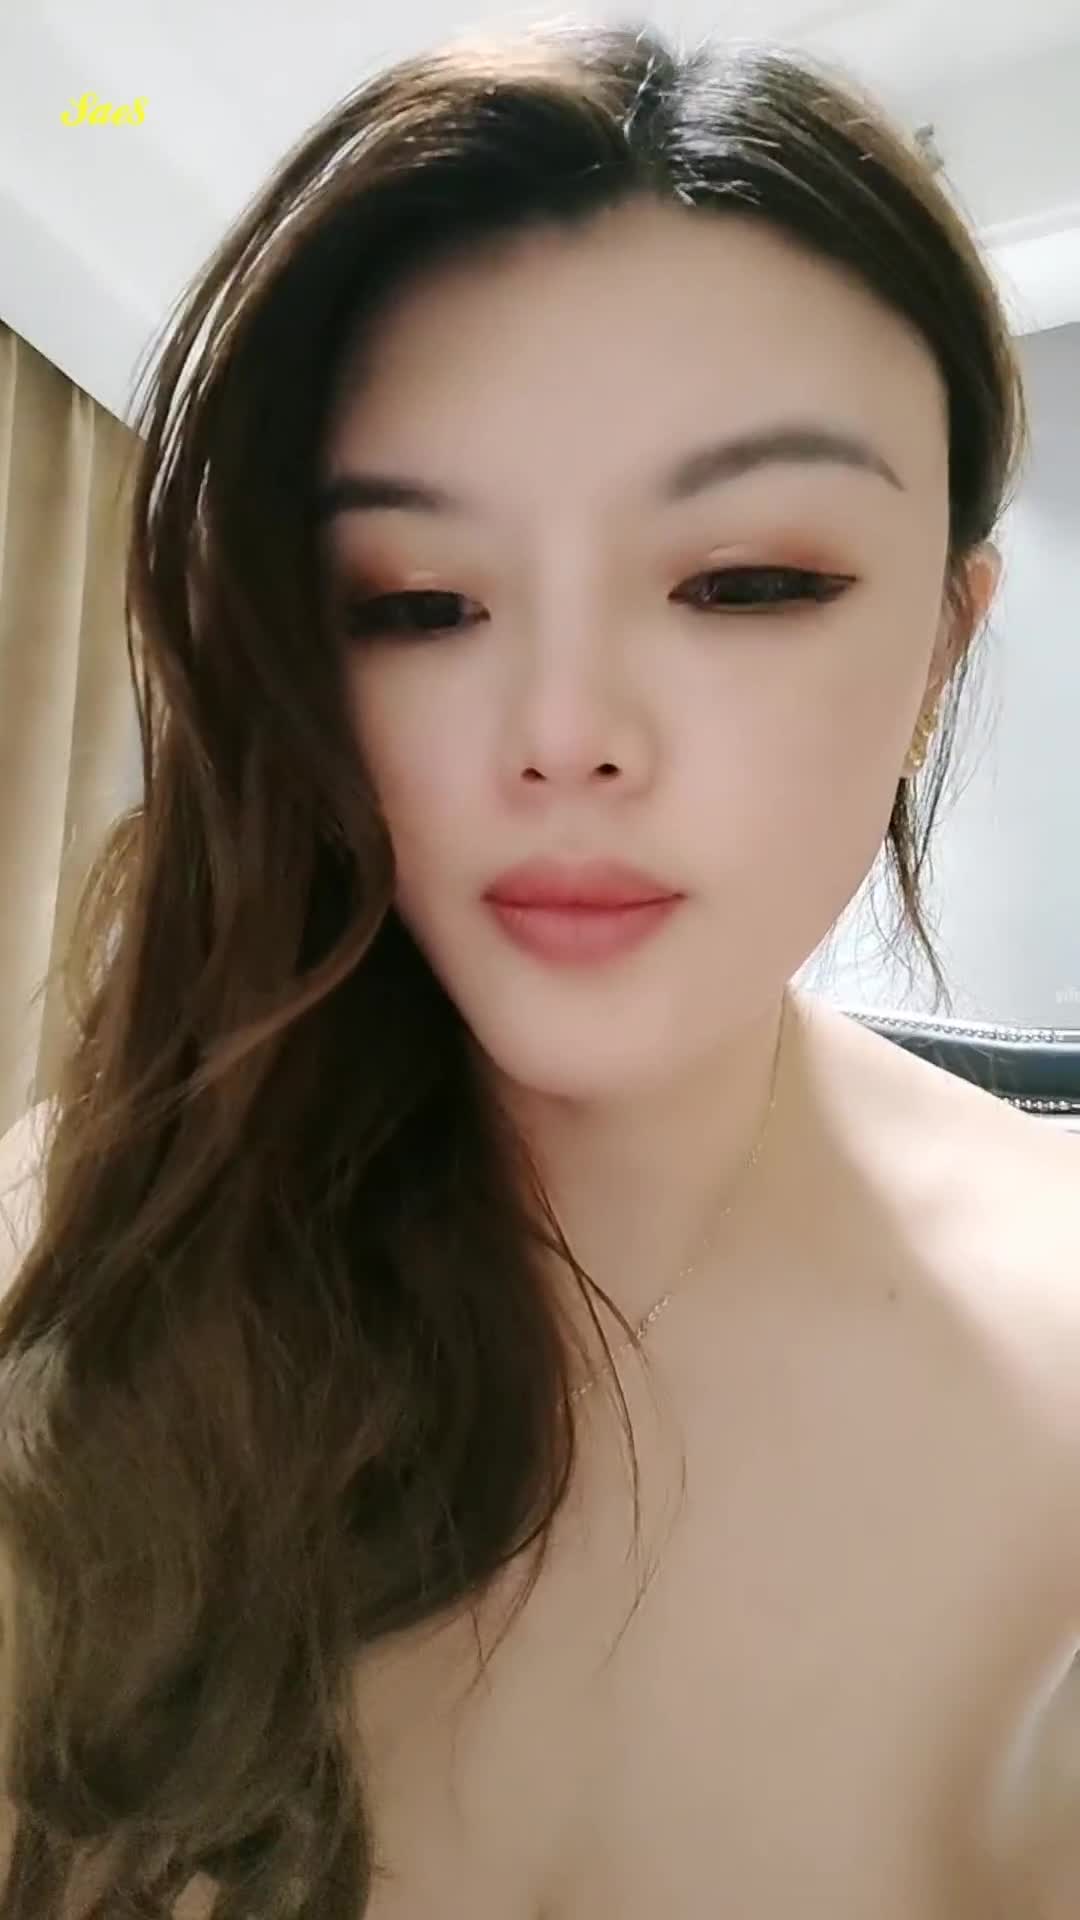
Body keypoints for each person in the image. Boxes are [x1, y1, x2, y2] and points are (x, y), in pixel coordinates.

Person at [0, 15, 1078, 1919]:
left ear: (940, 645)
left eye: (747, 581)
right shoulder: (80, 1247)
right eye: (415, 604)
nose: (565, 734)